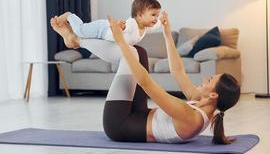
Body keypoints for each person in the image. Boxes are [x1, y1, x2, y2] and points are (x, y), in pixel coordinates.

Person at [51, 12, 241, 144]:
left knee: (131, 54)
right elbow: (178, 71)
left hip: (119, 124)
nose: (206, 79)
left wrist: (120, 41)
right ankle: (76, 40)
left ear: (214, 95)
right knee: (139, 52)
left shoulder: (191, 117)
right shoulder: (201, 102)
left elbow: (146, 83)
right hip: (139, 113)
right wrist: (167, 34)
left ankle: (76, 40)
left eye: (210, 81)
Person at [51, 0, 162, 48]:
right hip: (102, 29)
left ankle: (70, 36)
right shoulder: (132, 24)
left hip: (105, 36)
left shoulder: (146, 27)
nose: (156, 18)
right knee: (80, 30)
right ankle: (69, 16)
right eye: (153, 15)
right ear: (140, 15)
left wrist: (162, 20)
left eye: (157, 15)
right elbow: (126, 28)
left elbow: (157, 24)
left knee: (79, 40)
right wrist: (120, 28)